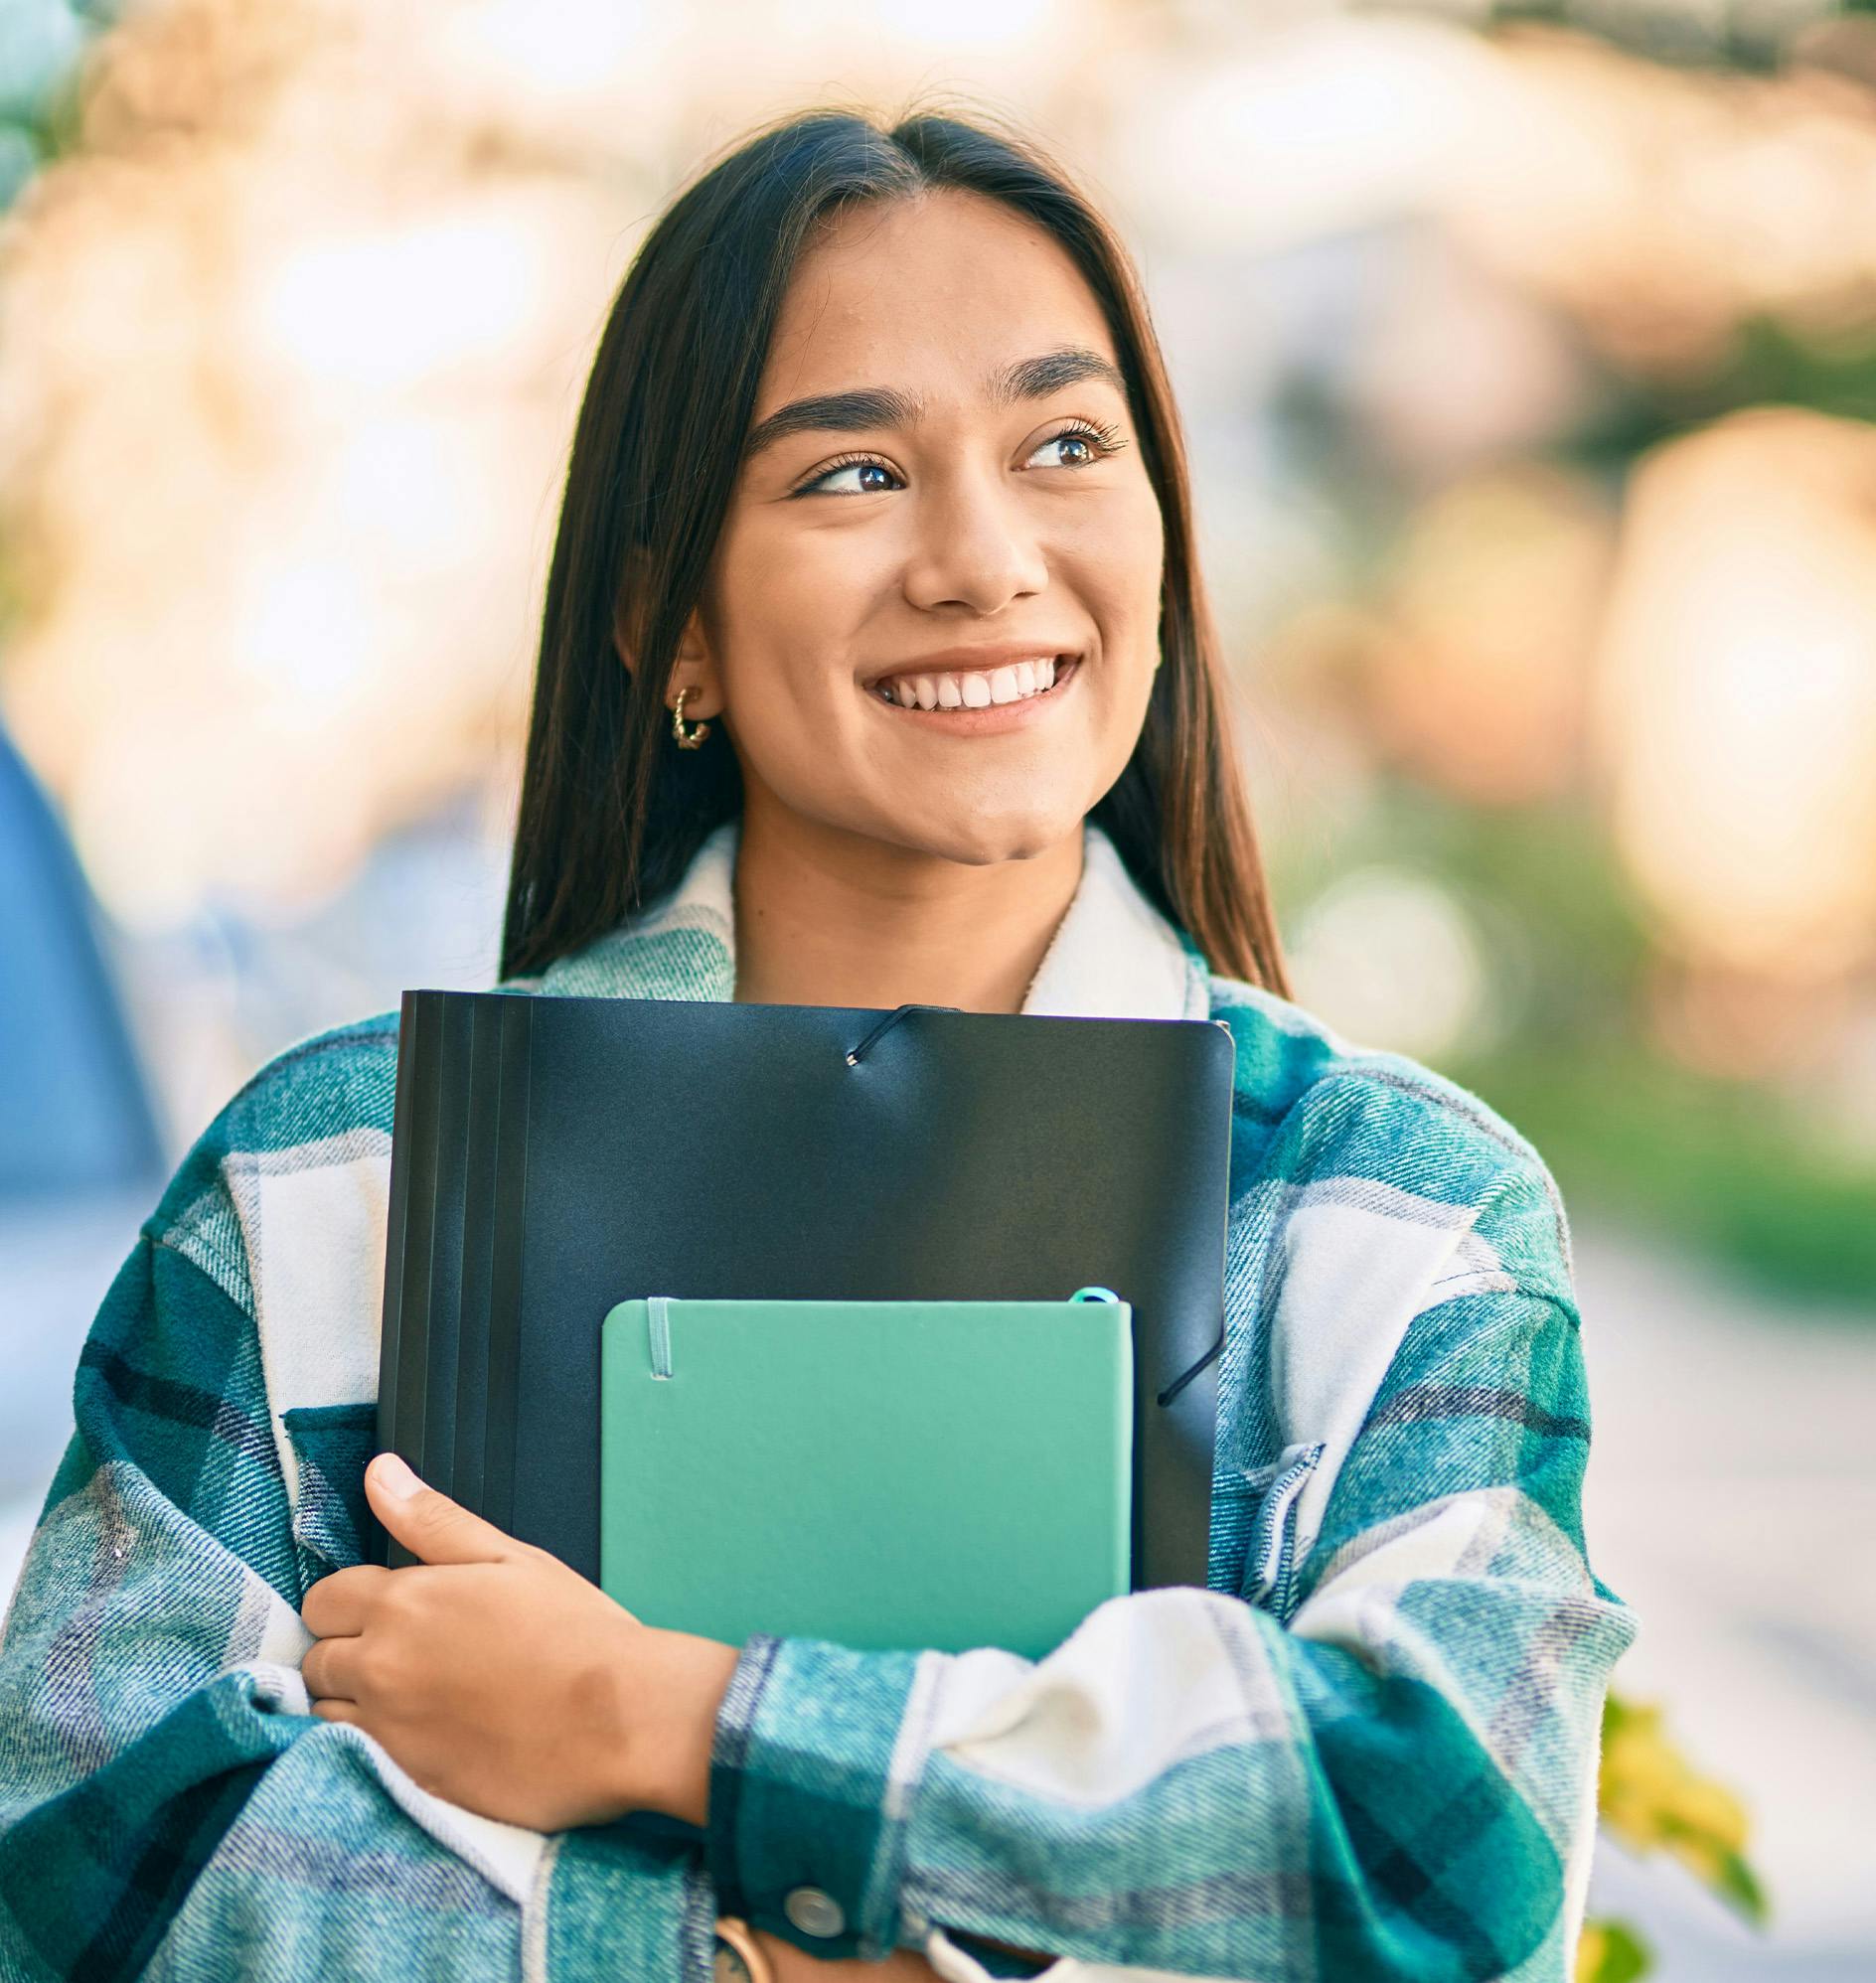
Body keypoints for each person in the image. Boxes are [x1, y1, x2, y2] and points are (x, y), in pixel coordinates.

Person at [0, 102, 1634, 1983]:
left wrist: (669, 1720)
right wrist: (761, 1956)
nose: (983, 556)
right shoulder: (337, 1175)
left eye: (1067, 445)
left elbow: (1442, 1846)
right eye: (852, 475)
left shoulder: (1391, 1212)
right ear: (664, 618)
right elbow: (97, 1852)